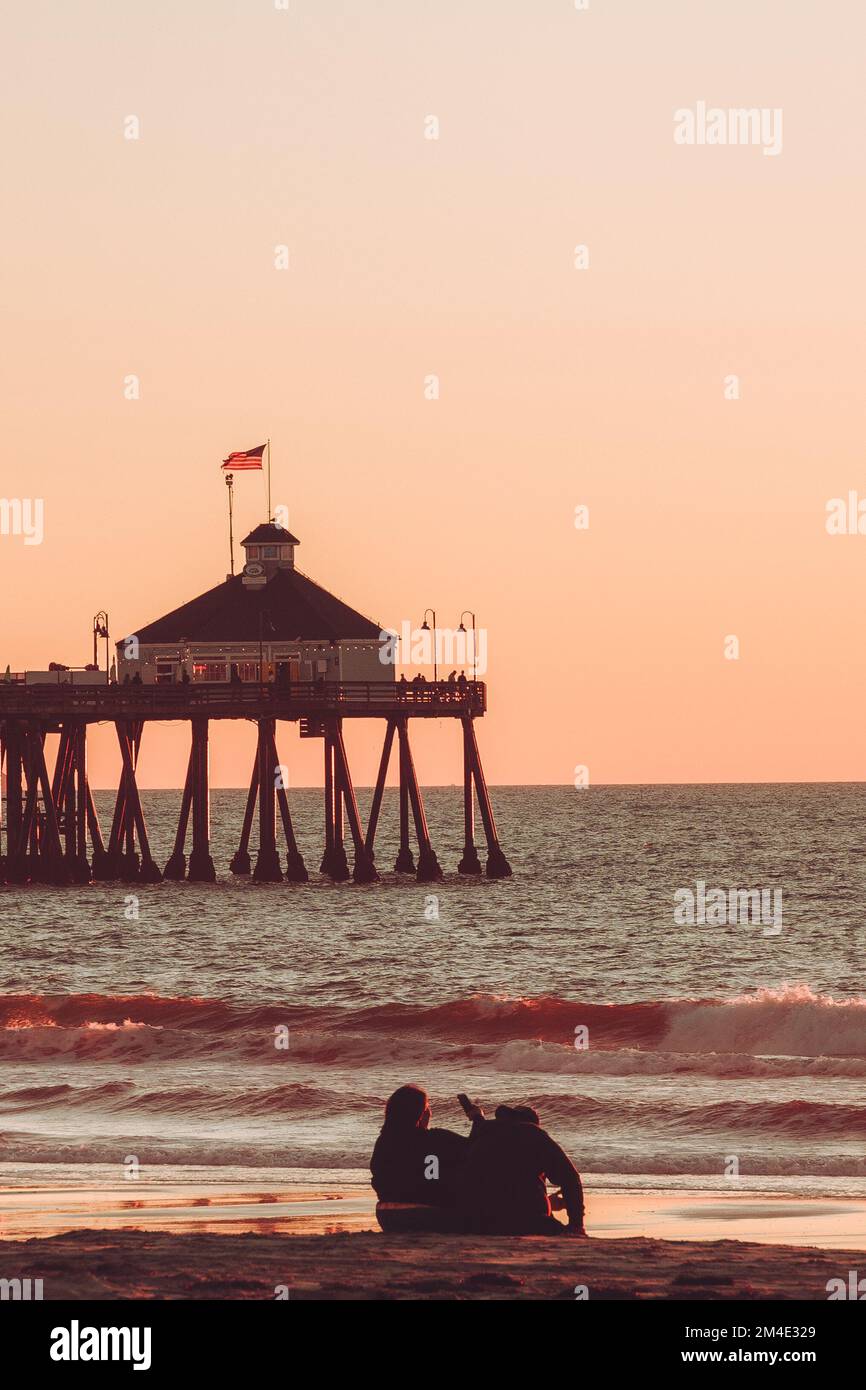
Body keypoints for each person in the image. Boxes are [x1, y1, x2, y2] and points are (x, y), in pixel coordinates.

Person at [460, 1103, 585, 1236]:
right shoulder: (533, 1134)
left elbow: (503, 1181)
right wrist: (576, 1224)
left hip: (477, 1219)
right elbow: (570, 1178)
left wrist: (478, 1118)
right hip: (525, 1220)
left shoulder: (484, 1133)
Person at [370, 1084, 475, 1233]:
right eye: (427, 1107)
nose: (430, 1112)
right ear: (421, 1113)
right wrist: (477, 1119)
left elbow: (378, 1178)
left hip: (387, 1215)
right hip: (427, 1215)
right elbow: (478, 1148)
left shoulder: (383, 1141)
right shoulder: (437, 1138)